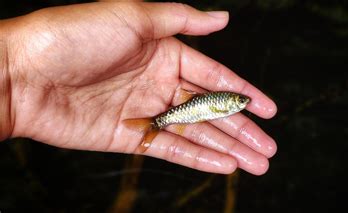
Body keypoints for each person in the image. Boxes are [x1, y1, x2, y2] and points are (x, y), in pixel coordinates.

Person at [0, 2, 277, 175]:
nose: (240, 104)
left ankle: (156, 124)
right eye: (238, 101)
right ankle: (156, 124)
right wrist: (13, 61)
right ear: (231, 102)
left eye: (239, 102)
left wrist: (15, 65)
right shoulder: (225, 102)